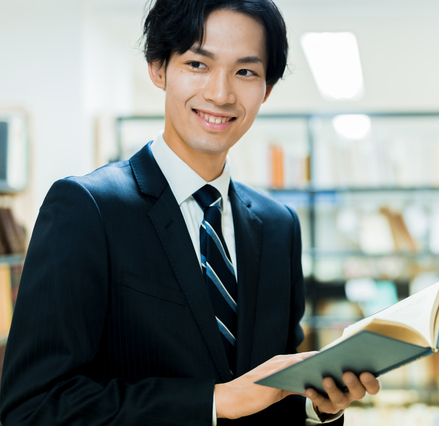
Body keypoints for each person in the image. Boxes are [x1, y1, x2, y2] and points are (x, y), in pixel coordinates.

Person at [0, 0, 380, 424]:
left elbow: (270, 391)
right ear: (159, 67)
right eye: (198, 64)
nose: (220, 93)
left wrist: (315, 405)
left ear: (266, 89)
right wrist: (213, 402)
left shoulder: (278, 226)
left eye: (246, 71)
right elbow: (32, 406)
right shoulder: (88, 209)